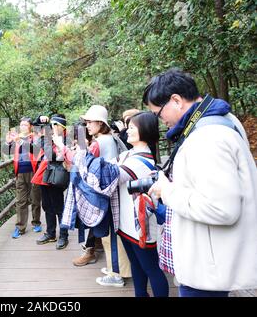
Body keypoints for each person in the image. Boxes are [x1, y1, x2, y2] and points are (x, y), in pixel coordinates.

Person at [146, 68, 257, 297]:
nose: (161, 121)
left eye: (158, 114)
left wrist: (167, 191)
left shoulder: (207, 137)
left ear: (176, 100)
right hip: (220, 262)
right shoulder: (223, 119)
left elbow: (222, 209)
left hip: (210, 273)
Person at [54, 105, 132, 287]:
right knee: (113, 233)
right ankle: (117, 267)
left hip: (105, 194)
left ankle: (116, 274)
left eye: (90, 122)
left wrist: (61, 146)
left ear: (100, 123)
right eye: (86, 122)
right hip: (114, 190)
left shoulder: (98, 143)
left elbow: (80, 161)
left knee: (110, 235)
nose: (87, 125)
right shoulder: (112, 139)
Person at [109, 111, 169, 297]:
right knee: (136, 264)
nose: (128, 130)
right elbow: (106, 165)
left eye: (133, 127)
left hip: (141, 226)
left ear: (145, 130)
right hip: (127, 224)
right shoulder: (129, 154)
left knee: (151, 268)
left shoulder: (140, 161)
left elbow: (109, 175)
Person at [32, 114, 70, 250]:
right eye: (51, 125)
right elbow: (33, 146)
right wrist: (39, 120)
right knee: (47, 206)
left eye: (55, 125)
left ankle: (63, 236)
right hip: (44, 175)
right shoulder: (49, 137)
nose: (52, 127)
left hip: (57, 177)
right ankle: (51, 233)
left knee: (59, 207)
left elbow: (54, 156)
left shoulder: (66, 139)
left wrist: (48, 141)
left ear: (62, 127)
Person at [3, 117, 42, 239]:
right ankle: (20, 227)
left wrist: (20, 141)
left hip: (33, 171)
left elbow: (36, 150)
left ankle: (36, 222)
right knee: (20, 201)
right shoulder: (16, 138)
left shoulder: (35, 137)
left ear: (30, 126)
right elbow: (7, 151)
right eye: (21, 125)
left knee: (35, 198)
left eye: (25, 125)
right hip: (20, 172)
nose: (23, 127)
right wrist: (8, 142)